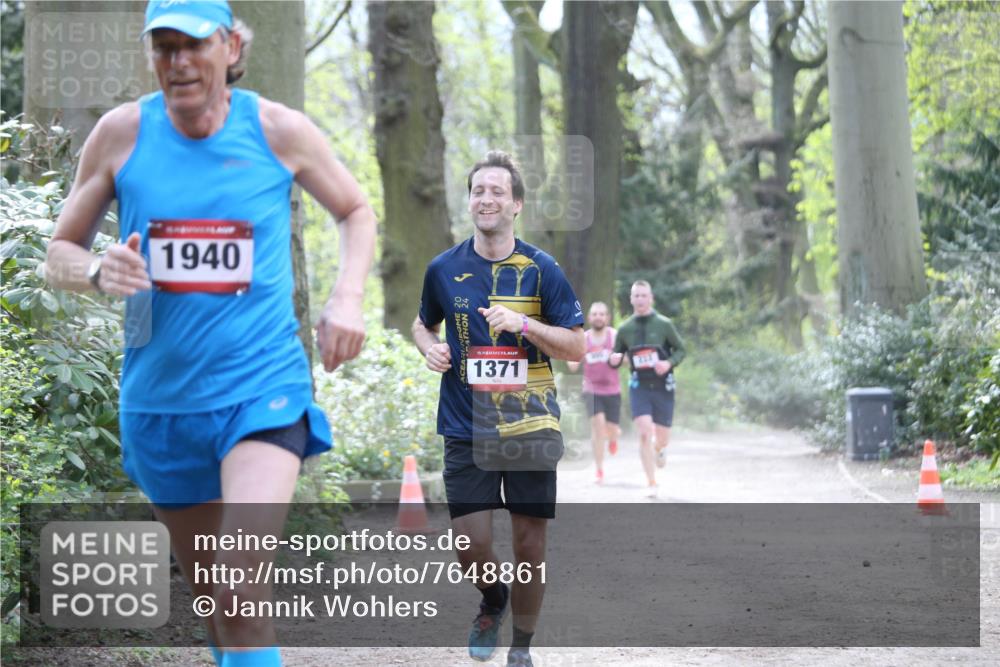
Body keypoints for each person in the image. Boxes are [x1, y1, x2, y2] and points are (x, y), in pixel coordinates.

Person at [43, 2, 376, 666]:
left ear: (229, 45)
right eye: (163, 47)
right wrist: (101, 271)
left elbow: (355, 209)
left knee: (238, 588)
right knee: (217, 602)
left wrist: (347, 299)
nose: (178, 62)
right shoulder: (120, 135)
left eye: (193, 45)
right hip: (162, 401)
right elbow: (59, 255)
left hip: (263, 389)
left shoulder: (278, 130)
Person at [412, 150, 584, 667]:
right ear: (470, 201)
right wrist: (429, 347)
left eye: (497, 192)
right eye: (478, 191)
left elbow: (576, 347)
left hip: (531, 422)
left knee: (530, 546)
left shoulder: (541, 269)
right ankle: (493, 598)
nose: (486, 199)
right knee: (470, 545)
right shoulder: (443, 268)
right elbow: (424, 323)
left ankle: (522, 649)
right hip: (466, 424)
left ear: (516, 206)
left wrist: (524, 324)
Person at [609, 280, 686, 499]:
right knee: (644, 432)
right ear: (631, 299)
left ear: (651, 298)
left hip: (663, 386)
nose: (640, 299)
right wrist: (614, 359)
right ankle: (651, 482)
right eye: (636, 296)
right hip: (639, 385)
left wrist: (669, 363)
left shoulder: (664, 324)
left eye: (644, 295)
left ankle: (660, 448)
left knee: (662, 438)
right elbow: (616, 357)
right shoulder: (624, 329)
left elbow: (681, 350)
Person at [566, 302, 621, 484]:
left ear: (607, 317)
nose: (598, 317)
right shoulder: (584, 339)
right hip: (591, 389)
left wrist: (619, 358)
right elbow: (573, 366)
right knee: (598, 427)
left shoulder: (614, 336)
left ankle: (613, 438)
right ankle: (599, 470)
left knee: (611, 430)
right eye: (595, 314)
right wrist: (570, 356)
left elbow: (626, 358)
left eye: (602, 314)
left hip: (612, 390)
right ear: (589, 318)